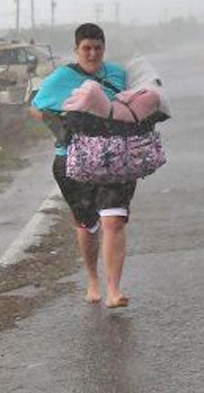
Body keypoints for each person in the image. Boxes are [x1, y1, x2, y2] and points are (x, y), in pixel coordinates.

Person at [30, 23, 133, 308]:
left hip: (114, 157)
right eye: (86, 48)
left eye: (97, 47)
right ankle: (92, 281)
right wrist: (62, 125)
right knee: (87, 223)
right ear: (76, 50)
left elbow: (133, 103)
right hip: (73, 159)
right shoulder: (61, 78)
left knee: (113, 219)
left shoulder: (117, 74)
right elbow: (35, 107)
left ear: (104, 48)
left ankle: (114, 290)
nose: (92, 53)